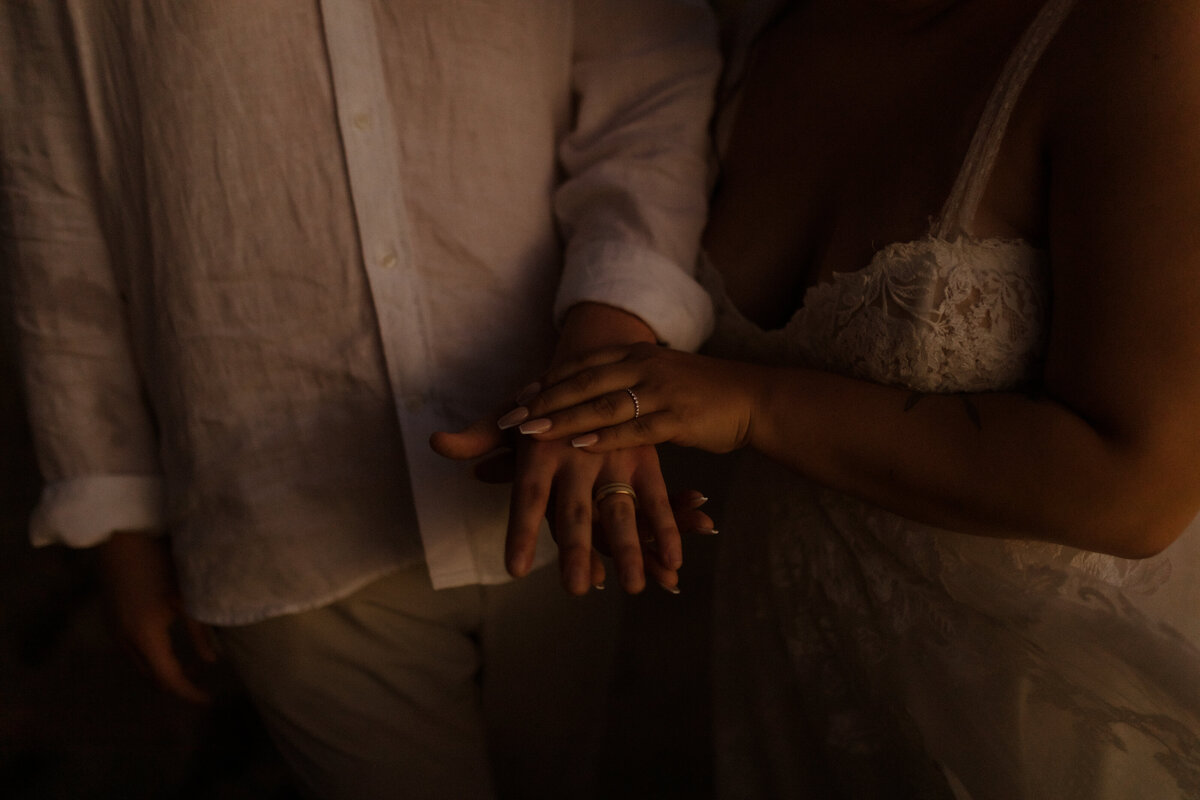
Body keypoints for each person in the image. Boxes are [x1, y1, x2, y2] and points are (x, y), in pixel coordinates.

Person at [466, 0, 1200, 796]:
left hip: (1022, 718)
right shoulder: (758, 24)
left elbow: (1136, 487)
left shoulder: (1144, 31)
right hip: (777, 679)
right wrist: (592, 416)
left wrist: (757, 405)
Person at [0, 2, 720, 798]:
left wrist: (613, 327)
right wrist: (114, 505)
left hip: (567, 466)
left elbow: (648, 75)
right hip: (281, 503)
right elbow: (51, 193)